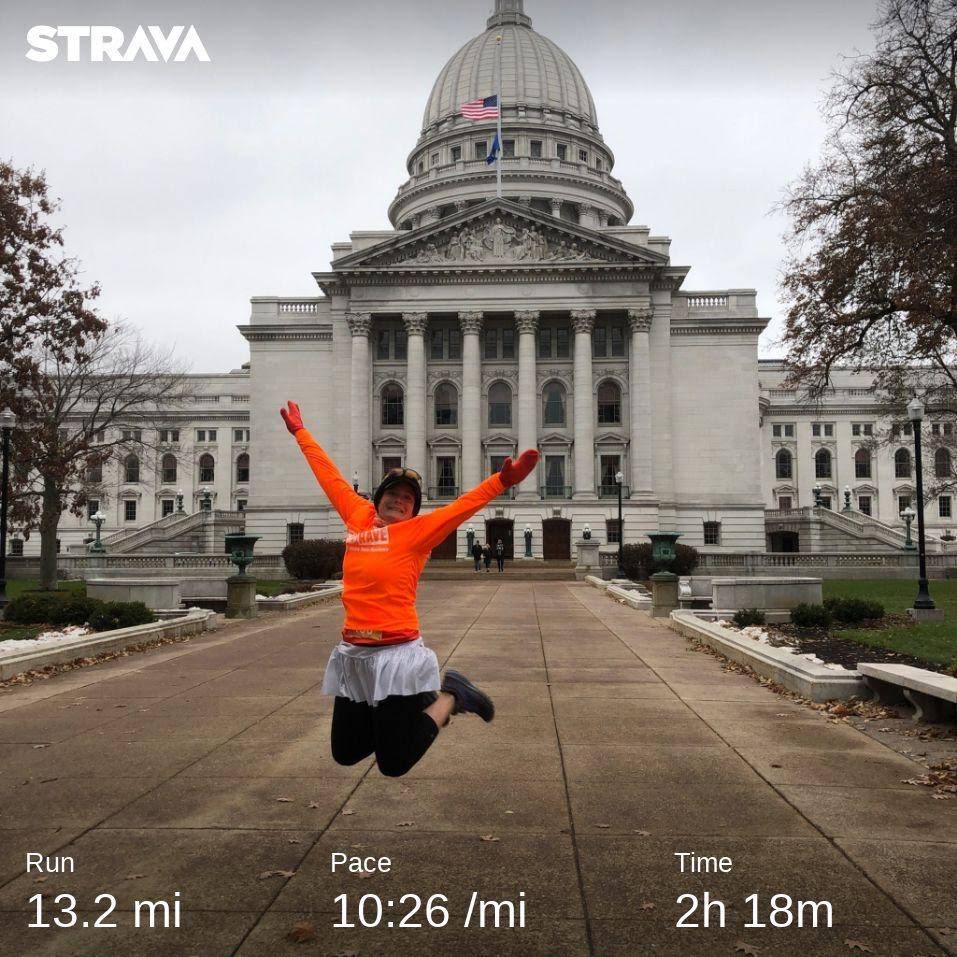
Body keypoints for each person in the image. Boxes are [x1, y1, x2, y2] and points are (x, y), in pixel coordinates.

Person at [280, 400, 539, 778]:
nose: (399, 501)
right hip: (355, 654)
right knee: (346, 752)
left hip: (395, 654)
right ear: (378, 497)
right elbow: (329, 476)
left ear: (413, 510)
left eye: (408, 499)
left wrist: (501, 481)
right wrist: (301, 433)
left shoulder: (416, 534)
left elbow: (461, 508)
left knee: (395, 763)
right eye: (394, 494)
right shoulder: (358, 517)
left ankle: (451, 696)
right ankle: (411, 710)